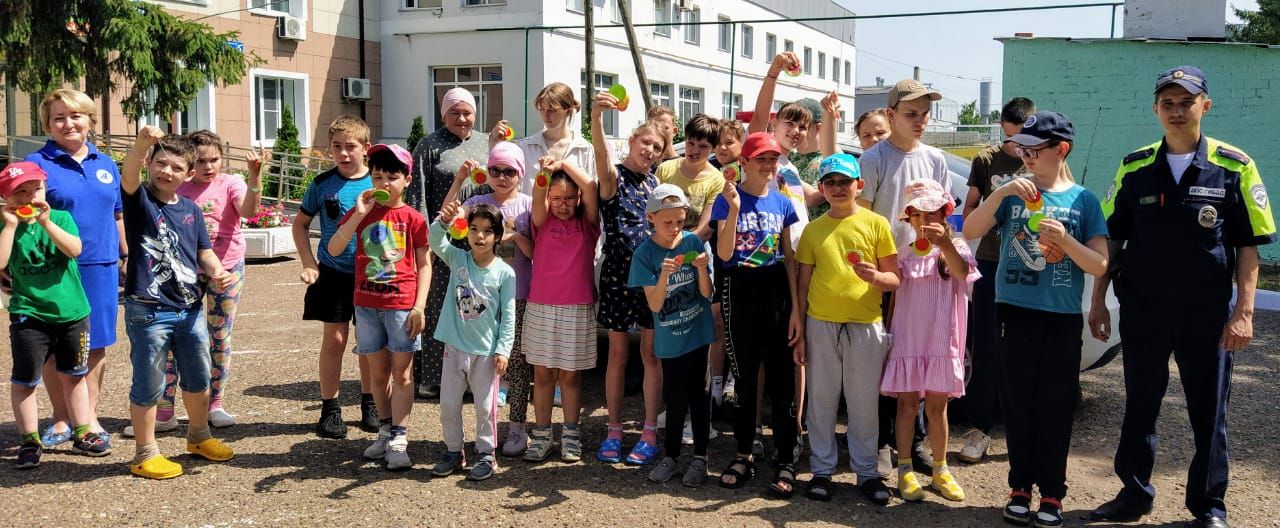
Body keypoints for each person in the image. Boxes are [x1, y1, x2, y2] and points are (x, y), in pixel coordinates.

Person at [1090, 66, 1275, 528]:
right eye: (1167, 103)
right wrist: (1097, 301)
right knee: (1140, 404)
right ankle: (1134, 495)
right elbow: (1112, 242)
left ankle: (1210, 506)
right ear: (1155, 109)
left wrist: (1244, 312)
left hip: (1206, 313)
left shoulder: (1235, 165)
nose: (1176, 111)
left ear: (1205, 106)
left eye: (1186, 102)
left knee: (1209, 411)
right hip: (1144, 307)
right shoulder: (1134, 166)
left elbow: (1248, 249)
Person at [962, 111, 1109, 527]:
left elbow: (1099, 264)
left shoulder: (1084, 200)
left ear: (1060, 149)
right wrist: (1000, 193)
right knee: (1019, 403)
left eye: (1034, 148)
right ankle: (1019, 488)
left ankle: (1053, 495)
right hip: (1014, 311)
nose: (1024, 155)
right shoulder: (1014, 192)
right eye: (1020, 147)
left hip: (1061, 317)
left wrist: (1065, 241)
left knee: (1056, 406)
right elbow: (970, 228)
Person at [119, 127, 237, 479]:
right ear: (150, 164)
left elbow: (203, 251)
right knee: (150, 383)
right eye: (160, 163)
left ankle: (199, 436)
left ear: (188, 174)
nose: (166, 172)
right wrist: (141, 145)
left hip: (189, 309)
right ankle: (145, 452)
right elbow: (128, 174)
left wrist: (217, 271)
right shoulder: (139, 200)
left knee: (199, 376)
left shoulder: (190, 209)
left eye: (175, 167)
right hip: (148, 310)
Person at [794, 152, 898, 505]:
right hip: (821, 323)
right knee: (821, 401)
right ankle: (822, 470)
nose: (838, 188)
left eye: (845, 182)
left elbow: (894, 278)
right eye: (831, 183)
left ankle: (867, 473)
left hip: (866, 325)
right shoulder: (813, 229)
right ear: (822, 188)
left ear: (860, 185)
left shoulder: (876, 224)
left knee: (863, 403)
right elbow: (803, 283)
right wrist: (800, 324)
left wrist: (876, 276)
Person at [858, 79, 950, 475]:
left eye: (925, 114)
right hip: (885, 274)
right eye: (912, 114)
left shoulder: (935, 159)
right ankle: (880, 443)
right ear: (891, 115)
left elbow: (944, 216)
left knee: (919, 364)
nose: (921, 121)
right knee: (883, 363)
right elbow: (861, 219)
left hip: (925, 276)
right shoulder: (875, 158)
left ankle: (914, 445)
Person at [23, 89, 124, 448]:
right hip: (55, 270)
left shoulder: (107, 164)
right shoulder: (36, 164)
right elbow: (21, 218)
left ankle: (89, 417)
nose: (68, 123)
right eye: (58, 118)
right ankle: (61, 417)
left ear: (90, 120)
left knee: (95, 346)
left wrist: (124, 255)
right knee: (54, 348)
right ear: (48, 125)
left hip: (101, 267)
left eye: (75, 115)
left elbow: (116, 215)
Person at [147, 131, 267, 431]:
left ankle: (215, 403)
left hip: (226, 269)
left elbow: (249, 211)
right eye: (200, 161)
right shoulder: (179, 185)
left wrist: (255, 176)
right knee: (173, 335)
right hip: (182, 270)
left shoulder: (231, 183)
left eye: (214, 159)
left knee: (219, 336)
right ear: (189, 163)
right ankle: (164, 409)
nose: (208, 167)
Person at [328, 143, 431, 471]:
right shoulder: (362, 212)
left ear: (407, 180)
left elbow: (425, 263)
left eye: (392, 176)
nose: (384, 183)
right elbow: (334, 246)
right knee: (377, 373)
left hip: (402, 305)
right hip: (367, 304)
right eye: (377, 176)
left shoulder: (413, 218)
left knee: (401, 373)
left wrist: (420, 306)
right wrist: (358, 214)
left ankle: (400, 435)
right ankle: (385, 430)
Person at [710, 132, 802, 491]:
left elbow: (790, 258)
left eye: (772, 158)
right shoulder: (728, 198)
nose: (767, 164)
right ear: (743, 163)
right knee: (745, 378)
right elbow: (724, 252)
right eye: (760, 158)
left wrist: (795, 308)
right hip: (740, 286)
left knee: (781, 380)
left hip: (776, 287)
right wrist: (733, 209)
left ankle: (785, 457)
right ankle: (744, 452)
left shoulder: (782, 202)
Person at [1, 162, 109, 468]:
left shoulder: (60, 217)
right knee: (25, 380)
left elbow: (74, 249)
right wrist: (9, 225)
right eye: (19, 192)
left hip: (72, 312)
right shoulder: (4, 225)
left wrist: (47, 223)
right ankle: (29, 440)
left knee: (74, 376)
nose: (28, 197)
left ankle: (83, 430)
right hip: (29, 314)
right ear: (6, 198)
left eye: (34, 189)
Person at [882, 179, 978, 503]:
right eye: (918, 215)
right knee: (907, 405)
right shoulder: (904, 254)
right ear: (909, 218)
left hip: (941, 342)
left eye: (932, 213)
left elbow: (964, 275)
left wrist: (947, 245)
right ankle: (905, 469)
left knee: (937, 409)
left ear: (944, 214)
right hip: (909, 341)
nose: (925, 221)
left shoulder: (957, 249)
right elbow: (894, 296)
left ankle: (940, 469)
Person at [440, 142, 534, 457]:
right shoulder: (477, 201)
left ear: (520, 174)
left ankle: (517, 428)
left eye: (510, 171)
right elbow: (450, 224)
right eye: (496, 170)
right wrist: (459, 180)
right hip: (477, 295)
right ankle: (479, 437)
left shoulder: (528, 205)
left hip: (516, 293)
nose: (502, 176)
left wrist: (516, 236)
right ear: (488, 172)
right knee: (481, 365)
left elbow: (536, 253)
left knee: (516, 362)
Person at [292, 115, 379, 438]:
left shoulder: (378, 184)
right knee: (336, 340)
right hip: (333, 273)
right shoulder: (322, 184)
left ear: (366, 149)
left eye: (351, 147)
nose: (344, 154)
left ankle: (370, 403)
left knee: (369, 343)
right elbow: (299, 224)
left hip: (372, 274)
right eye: (337, 147)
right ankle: (330, 407)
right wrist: (308, 262)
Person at [958, 97, 1034, 463]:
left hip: (1030, 267)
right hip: (989, 263)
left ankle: (1027, 431)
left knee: (1025, 350)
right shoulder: (986, 160)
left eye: (1024, 140)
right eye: (1011, 141)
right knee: (985, 347)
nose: (1019, 149)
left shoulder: (1042, 159)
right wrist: (993, 212)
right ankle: (979, 429)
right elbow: (969, 209)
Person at [407, 87, 495, 399]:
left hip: (479, 238)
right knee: (439, 303)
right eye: (454, 112)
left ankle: (472, 375)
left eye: (467, 112)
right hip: (442, 239)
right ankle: (433, 377)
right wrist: (423, 240)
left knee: (473, 305)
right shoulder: (429, 145)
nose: (461, 118)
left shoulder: (486, 143)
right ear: (443, 114)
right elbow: (417, 192)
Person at [591, 91, 664, 466]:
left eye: (657, 146)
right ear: (632, 141)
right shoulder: (614, 178)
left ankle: (650, 430)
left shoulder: (657, 187)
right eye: (645, 142)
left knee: (651, 354)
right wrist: (598, 117)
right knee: (617, 354)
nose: (649, 150)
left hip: (651, 276)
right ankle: (614, 429)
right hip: (619, 273)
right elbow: (601, 155)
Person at [629, 184, 716, 487]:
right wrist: (664, 274)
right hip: (669, 340)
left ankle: (701, 457)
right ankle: (671, 456)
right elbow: (654, 304)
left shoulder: (692, 241)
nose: (675, 228)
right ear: (651, 217)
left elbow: (706, 293)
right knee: (675, 399)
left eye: (680, 221)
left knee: (700, 398)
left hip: (699, 334)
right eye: (668, 222)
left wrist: (703, 269)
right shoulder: (644, 254)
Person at [427, 201, 516, 482]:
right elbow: (434, 240)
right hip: (453, 348)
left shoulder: (505, 273)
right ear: (466, 232)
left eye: (488, 231)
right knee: (448, 405)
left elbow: (509, 317)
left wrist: (503, 350)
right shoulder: (458, 259)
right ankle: (454, 451)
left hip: (487, 355)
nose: (480, 236)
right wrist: (443, 221)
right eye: (474, 229)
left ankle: (487, 454)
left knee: (485, 408)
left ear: (498, 236)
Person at [522, 158, 600, 463]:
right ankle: (542, 435)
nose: (563, 204)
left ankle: (570, 434)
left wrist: (565, 164)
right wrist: (544, 171)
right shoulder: (542, 221)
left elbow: (592, 188)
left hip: (577, 306)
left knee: (569, 376)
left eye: (569, 198)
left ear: (577, 199)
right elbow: (538, 191)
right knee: (542, 375)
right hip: (541, 304)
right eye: (556, 198)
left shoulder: (587, 223)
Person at [513, 82, 596, 196]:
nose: (546, 115)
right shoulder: (525, 147)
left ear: (567, 110)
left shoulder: (584, 149)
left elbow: (591, 191)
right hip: (532, 213)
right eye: (542, 109)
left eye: (552, 110)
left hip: (573, 213)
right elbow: (507, 187)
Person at [655, 114, 722, 240]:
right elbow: (652, 211)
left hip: (694, 247)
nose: (694, 150)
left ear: (713, 148)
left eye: (703, 146)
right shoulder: (665, 169)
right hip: (661, 243)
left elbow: (705, 229)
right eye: (690, 143)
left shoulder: (717, 180)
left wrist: (679, 248)